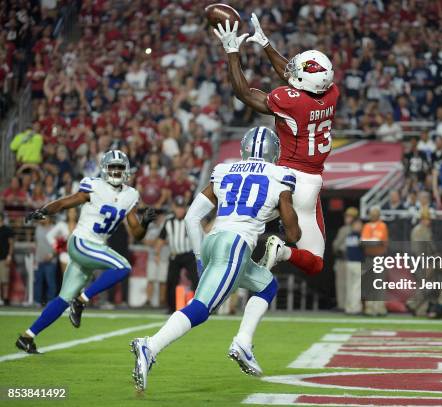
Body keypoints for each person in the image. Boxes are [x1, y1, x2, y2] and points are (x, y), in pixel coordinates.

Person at [130, 127, 301, 391]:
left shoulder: (225, 169)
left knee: (267, 284)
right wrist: (285, 218)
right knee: (201, 309)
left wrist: (200, 257)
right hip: (234, 245)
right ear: (273, 152)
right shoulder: (281, 175)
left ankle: (243, 341)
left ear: (244, 149)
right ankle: (149, 346)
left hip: (214, 241)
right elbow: (293, 233)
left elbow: (191, 217)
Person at [214, 15, 339, 276]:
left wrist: (232, 52)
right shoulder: (331, 93)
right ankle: (282, 252)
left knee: (238, 225)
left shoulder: (292, 101)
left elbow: (245, 93)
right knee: (315, 263)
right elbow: (294, 75)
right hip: (311, 184)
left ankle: (218, 258)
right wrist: (267, 45)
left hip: (284, 178)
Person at [15, 150, 156, 354]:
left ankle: (27, 336)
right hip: (82, 242)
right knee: (123, 266)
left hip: (95, 247)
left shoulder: (130, 195)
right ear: (105, 168)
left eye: (119, 167)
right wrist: (44, 210)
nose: (116, 171)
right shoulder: (94, 185)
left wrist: (145, 223)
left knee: (63, 299)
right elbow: (65, 202)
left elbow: (137, 233)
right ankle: (81, 301)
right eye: (113, 167)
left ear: (126, 171)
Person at [156, 196, 198, 313]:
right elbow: (161, 238)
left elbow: (198, 236)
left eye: (182, 208)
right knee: (171, 280)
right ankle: (171, 307)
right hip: (175, 255)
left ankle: (199, 305)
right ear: (174, 208)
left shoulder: (190, 220)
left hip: (189, 254)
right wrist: (157, 253)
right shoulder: (168, 221)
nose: (180, 210)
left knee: (197, 280)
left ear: (185, 208)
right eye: (178, 208)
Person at [361, 207, 389, 316]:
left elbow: (380, 240)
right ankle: (370, 308)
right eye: (372, 213)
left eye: (375, 213)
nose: (373, 215)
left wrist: (371, 241)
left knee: (379, 283)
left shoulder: (382, 226)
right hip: (368, 257)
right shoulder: (367, 226)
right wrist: (372, 241)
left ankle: (379, 308)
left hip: (379, 257)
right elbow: (364, 240)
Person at [331, 207, 358, 310]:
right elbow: (335, 245)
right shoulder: (345, 229)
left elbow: (337, 245)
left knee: (347, 284)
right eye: (347, 216)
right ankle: (343, 305)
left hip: (347, 259)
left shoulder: (349, 229)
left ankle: (346, 305)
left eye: (350, 216)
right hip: (342, 258)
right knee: (343, 284)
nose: (347, 218)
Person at [34, 217, 58, 305]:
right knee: (37, 281)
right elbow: (36, 243)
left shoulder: (55, 228)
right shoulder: (38, 228)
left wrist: (52, 255)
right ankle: (37, 301)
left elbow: (59, 244)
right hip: (38, 259)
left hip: (51, 260)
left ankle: (50, 301)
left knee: (50, 282)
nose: (41, 218)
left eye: (44, 217)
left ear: (49, 218)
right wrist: (34, 258)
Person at [0, 212, 14, 305]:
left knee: (5, 280)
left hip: (4, 257)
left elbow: (11, 244)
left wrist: (9, 256)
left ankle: (5, 299)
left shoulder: (7, 230)